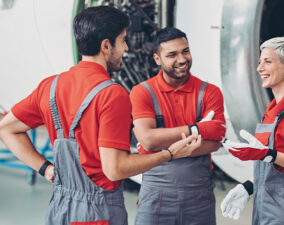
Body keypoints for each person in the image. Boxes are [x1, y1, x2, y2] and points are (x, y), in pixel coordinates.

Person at [0, 6, 201, 225]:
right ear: (106, 46)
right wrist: (169, 154)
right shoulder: (112, 94)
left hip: (59, 208)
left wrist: (45, 167)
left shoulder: (50, 86)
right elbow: (115, 169)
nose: (126, 48)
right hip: (97, 213)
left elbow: (6, 128)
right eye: (123, 40)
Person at [130, 27, 226, 225]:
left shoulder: (210, 92)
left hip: (199, 196)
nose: (182, 59)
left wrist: (162, 140)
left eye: (185, 51)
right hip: (156, 195)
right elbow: (147, 141)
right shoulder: (142, 92)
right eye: (172, 55)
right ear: (157, 59)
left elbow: (215, 140)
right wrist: (197, 129)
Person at [221, 37, 284, 225]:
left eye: (268, 62)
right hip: (266, 208)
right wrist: (248, 186)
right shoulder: (272, 110)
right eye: (260, 62)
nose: (260, 69)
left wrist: (268, 154)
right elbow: (272, 166)